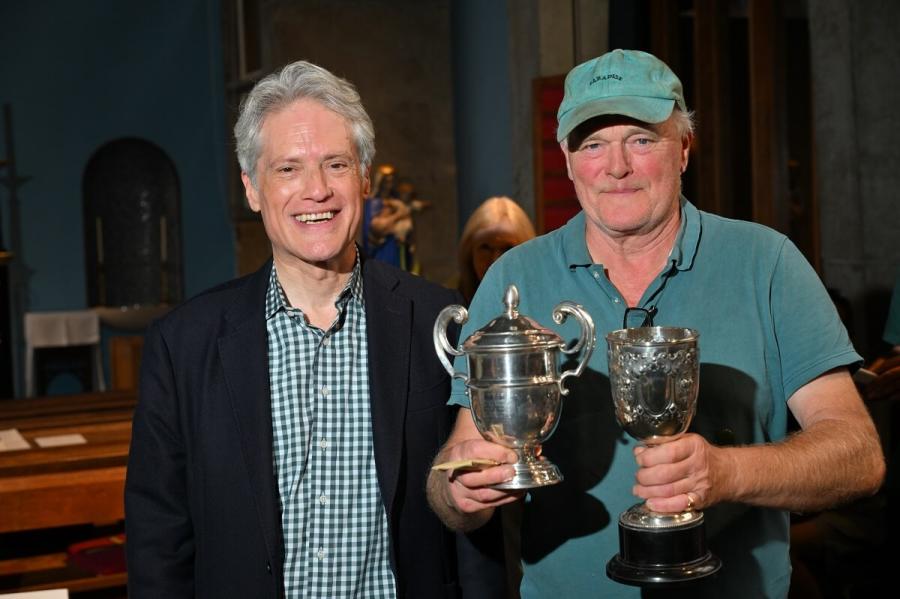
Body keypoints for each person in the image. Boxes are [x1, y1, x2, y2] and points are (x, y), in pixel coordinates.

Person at [426, 49, 885, 598]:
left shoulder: (766, 263)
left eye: (641, 140)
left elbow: (859, 456)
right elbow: (458, 465)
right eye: (592, 144)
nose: (616, 167)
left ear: (684, 148)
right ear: (568, 161)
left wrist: (728, 473)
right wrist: (459, 494)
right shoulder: (515, 276)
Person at [125, 60, 504, 598]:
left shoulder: (439, 320)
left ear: (364, 178)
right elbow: (158, 538)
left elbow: (474, 526)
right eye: (288, 169)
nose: (317, 190)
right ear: (252, 188)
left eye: (336, 164)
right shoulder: (183, 344)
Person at [456, 196, 536, 304]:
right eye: (485, 248)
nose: (495, 260)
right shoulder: (447, 303)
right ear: (470, 253)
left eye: (508, 248)